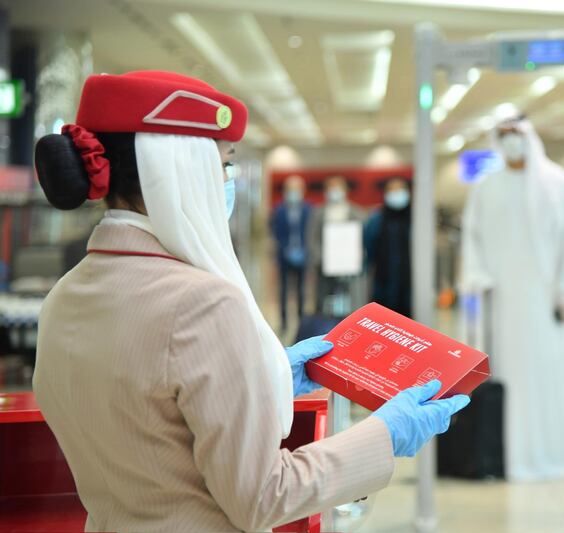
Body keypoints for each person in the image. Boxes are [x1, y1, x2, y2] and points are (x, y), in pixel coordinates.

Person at [31, 70, 469, 532]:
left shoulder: (63, 297)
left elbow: (152, 419)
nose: (227, 181)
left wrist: (266, 377)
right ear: (185, 171)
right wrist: (384, 433)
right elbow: (264, 497)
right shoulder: (203, 304)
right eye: (224, 165)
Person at [461, 114, 564, 482]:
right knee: (506, 381)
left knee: (546, 379)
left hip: (545, 308)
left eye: (517, 133)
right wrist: (477, 284)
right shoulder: (484, 189)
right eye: (504, 135)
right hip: (501, 308)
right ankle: (505, 459)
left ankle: (550, 455)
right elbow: (472, 242)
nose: (511, 141)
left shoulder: (558, 184)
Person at [308, 176, 365, 314]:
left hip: (350, 268)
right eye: (331, 188)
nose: (334, 192)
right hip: (325, 266)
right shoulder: (318, 213)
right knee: (325, 302)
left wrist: (358, 257)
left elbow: (363, 239)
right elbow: (312, 238)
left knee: (350, 301)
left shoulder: (357, 212)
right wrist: (319, 258)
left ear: (345, 190)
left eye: (338, 188)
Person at [364, 178, 413, 317]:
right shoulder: (377, 219)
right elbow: (369, 247)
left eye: (400, 189)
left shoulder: (415, 218)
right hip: (383, 279)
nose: (396, 194)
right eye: (392, 190)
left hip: (410, 281)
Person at [271, 175, 312, 332]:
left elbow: (310, 231)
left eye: (297, 189)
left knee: (301, 290)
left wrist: (305, 250)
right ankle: (283, 323)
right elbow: (275, 231)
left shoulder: (309, 209)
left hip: (303, 253)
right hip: (284, 255)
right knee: (284, 290)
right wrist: (285, 248)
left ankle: (301, 322)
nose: (294, 192)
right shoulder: (279, 209)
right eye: (291, 189)